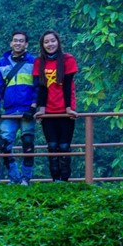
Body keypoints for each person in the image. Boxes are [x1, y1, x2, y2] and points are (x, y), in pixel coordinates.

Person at [0, 31, 38, 185]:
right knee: (4, 143)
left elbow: (38, 86)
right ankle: (14, 177)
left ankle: (26, 178)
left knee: (28, 143)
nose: (18, 43)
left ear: (26, 44)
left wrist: (33, 106)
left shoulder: (33, 61)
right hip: (10, 110)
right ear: (11, 43)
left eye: (21, 41)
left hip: (27, 109)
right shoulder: (2, 62)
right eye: (15, 41)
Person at [33, 30, 78, 182]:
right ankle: (55, 181)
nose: (50, 44)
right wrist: (41, 109)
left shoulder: (67, 59)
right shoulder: (40, 62)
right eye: (46, 42)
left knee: (64, 147)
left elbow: (67, 85)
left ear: (58, 42)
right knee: (52, 146)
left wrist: (68, 109)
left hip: (65, 110)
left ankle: (65, 180)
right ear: (42, 45)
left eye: (52, 41)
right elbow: (41, 87)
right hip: (48, 112)